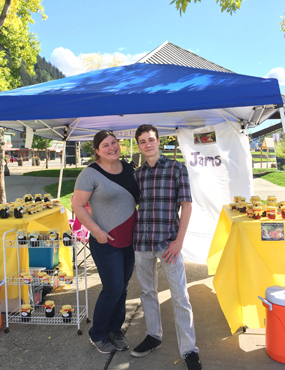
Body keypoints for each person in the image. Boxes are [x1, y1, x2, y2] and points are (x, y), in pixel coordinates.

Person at [130, 124, 202, 370]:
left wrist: (179, 241)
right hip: (141, 242)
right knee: (147, 292)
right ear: (138, 146)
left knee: (180, 295)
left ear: (159, 141)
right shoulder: (137, 175)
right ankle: (154, 336)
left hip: (168, 242)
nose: (147, 144)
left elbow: (187, 206)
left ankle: (189, 350)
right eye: (142, 141)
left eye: (151, 139)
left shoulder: (176, 168)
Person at [72, 130, 139, 355]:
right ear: (97, 151)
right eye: (105, 145)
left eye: (114, 143)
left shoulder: (129, 168)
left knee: (123, 288)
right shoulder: (90, 173)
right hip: (105, 240)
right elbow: (78, 206)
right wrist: (97, 231)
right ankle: (98, 334)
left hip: (129, 240)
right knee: (113, 289)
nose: (112, 148)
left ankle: (114, 330)